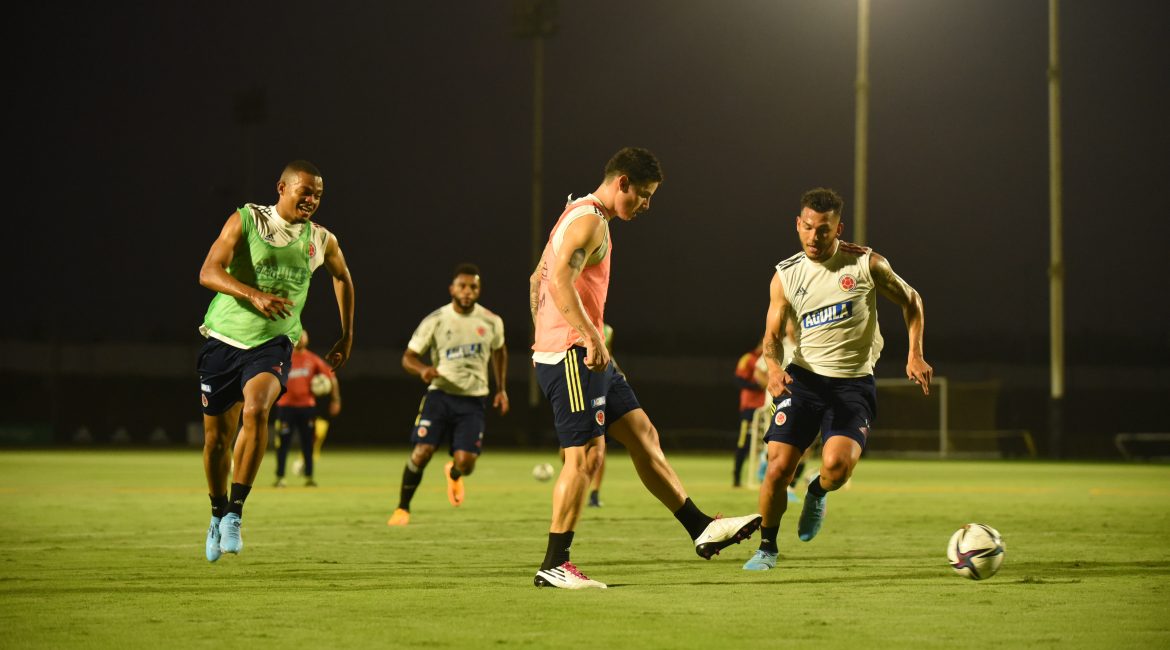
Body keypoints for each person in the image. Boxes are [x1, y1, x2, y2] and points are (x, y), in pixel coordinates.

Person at [529, 147, 762, 590]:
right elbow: (557, 280)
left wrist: (551, 335)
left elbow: (535, 278)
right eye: (645, 195)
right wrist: (583, 337)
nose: (646, 205)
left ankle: (701, 528)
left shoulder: (576, 213)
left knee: (642, 433)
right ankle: (554, 564)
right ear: (623, 183)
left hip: (583, 350)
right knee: (586, 456)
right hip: (575, 352)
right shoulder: (590, 221)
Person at [742, 187, 931, 571]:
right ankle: (767, 548)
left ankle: (817, 491)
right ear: (798, 224)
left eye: (824, 230)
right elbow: (771, 337)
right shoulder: (786, 275)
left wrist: (915, 353)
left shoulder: (866, 265)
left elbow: (912, 300)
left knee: (838, 469)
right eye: (808, 227)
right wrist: (774, 369)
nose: (814, 237)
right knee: (778, 467)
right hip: (804, 380)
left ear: (838, 229)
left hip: (852, 384)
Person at [197, 160, 355, 563]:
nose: (312, 200)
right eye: (305, 191)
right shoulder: (247, 220)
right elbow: (208, 271)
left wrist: (347, 333)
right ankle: (216, 513)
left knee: (257, 410)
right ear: (282, 188)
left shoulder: (321, 239)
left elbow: (343, 277)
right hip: (223, 340)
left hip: (273, 343)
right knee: (216, 441)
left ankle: (235, 513)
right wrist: (253, 295)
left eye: (318, 194)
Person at [386, 263, 508, 526]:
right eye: (462, 286)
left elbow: (500, 351)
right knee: (422, 452)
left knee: (466, 464)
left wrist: (501, 389)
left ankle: (454, 473)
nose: (467, 291)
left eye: (473, 287)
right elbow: (408, 357)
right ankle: (402, 508)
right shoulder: (436, 320)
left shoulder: (491, 321)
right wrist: (423, 370)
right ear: (452, 289)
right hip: (440, 396)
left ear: (479, 290)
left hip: (473, 400)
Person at [272, 329, 341, 488]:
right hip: (285, 407)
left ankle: (309, 477)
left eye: (304, 336)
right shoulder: (284, 359)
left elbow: (332, 377)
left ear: (307, 339)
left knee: (308, 443)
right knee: (283, 443)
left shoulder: (313, 359)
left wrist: (336, 399)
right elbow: (271, 378)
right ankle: (280, 477)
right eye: (299, 335)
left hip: (307, 407)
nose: (302, 338)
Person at [733, 340, 766, 487]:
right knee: (744, 442)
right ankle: (736, 477)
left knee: (767, 443)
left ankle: (765, 478)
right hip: (750, 407)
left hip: (767, 407)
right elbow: (738, 380)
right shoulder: (749, 358)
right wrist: (759, 386)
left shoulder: (775, 357)